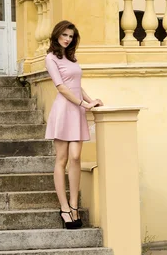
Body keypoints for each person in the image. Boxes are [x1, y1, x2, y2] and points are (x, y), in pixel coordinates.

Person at [45, 20, 104, 229]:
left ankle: (74, 205)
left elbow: (77, 85)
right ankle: (64, 208)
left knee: (76, 157)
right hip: (64, 110)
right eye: (64, 35)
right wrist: (82, 104)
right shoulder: (51, 58)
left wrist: (90, 101)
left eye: (71, 36)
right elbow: (61, 87)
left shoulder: (72, 57)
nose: (68, 39)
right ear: (57, 35)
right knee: (61, 159)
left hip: (77, 109)